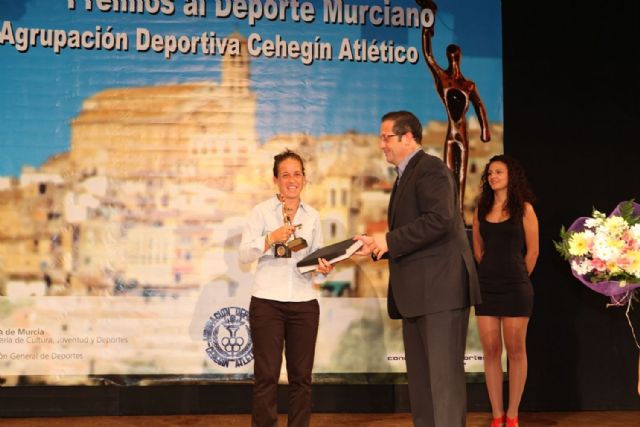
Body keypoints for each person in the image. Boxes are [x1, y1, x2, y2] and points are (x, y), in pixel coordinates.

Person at [355, 111, 481, 427]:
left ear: (407, 137)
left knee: (443, 386)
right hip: (418, 295)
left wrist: (389, 240)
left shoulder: (432, 171)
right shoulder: (406, 175)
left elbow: (438, 220)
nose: (381, 144)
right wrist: (378, 244)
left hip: (440, 293)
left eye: (386, 137)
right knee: (423, 390)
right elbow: (414, 231)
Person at [239, 149, 333, 427]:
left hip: (304, 304)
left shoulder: (313, 216)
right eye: (285, 175)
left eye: (297, 174)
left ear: (304, 178)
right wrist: (270, 238)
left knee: (302, 378)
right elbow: (244, 255)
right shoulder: (260, 213)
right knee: (266, 376)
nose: (292, 179)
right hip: (267, 303)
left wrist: (324, 269)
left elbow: (316, 260)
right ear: (276, 180)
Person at [472, 154, 539, 427]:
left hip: (516, 288)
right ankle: (497, 415)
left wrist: (518, 275)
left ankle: (512, 416)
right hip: (486, 287)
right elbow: (477, 248)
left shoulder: (524, 209)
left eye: (498, 172)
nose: (492, 176)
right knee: (490, 351)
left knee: (515, 351)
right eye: (489, 173)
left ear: (511, 175)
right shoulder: (481, 207)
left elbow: (533, 251)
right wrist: (489, 270)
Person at [416, 0, 491, 215]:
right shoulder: (443, 79)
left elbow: (479, 106)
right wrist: (427, 25)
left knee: (461, 176)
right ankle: (450, 215)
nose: (453, 59)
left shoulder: (468, 84)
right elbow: (428, 55)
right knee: (449, 175)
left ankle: (458, 216)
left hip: (463, 133)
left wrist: (485, 130)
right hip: (451, 134)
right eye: (450, 56)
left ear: (459, 57)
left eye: (455, 55)